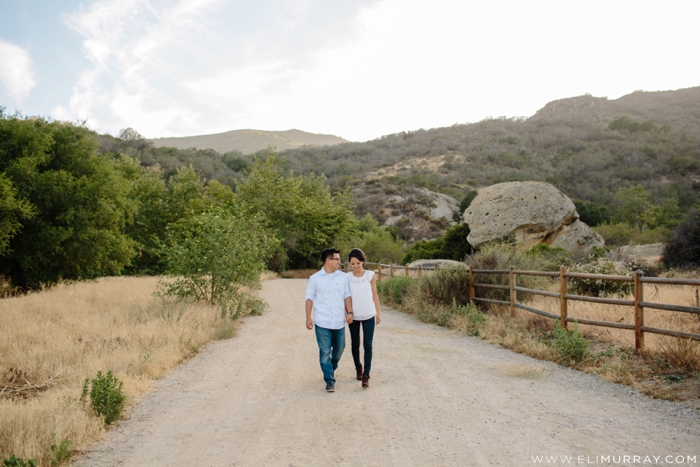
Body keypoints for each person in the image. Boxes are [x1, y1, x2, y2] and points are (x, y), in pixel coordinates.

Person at [305, 248, 353, 392]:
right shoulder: (315, 278)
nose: (339, 261)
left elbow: (347, 295)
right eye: (337, 259)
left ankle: (331, 367)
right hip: (322, 321)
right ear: (328, 260)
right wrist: (308, 317)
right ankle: (329, 380)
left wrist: (349, 312)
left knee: (339, 348)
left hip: (338, 321)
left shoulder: (342, 277)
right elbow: (309, 298)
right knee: (325, 351)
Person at [345, 248, 381, 388]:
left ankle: (366, 375)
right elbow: (345, 297)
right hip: (353, 315)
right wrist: (347, 313)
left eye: (358, 263)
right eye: (352, 263)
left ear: (363, 262)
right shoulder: (347, 277)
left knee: (368, 345)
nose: (355, 266)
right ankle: (358, 367)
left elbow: (374, 294)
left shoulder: (370, 275)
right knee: (355, 343)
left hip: (368, 314)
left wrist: (378, 313)